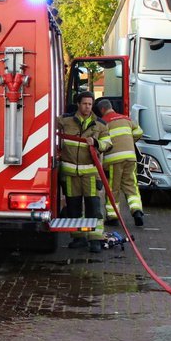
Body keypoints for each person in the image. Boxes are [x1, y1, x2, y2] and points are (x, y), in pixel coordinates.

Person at [56, 91, 105, 251]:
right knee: (73, 207)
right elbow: (48, 125)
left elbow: (108, 143)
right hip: (70, 174)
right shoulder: (65, 120)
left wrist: (96, 143)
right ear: (78, 104)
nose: (87, 107)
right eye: (84, 103)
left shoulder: (99, 124)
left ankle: (95, 239)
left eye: (90, 104)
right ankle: (78, 238)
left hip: (90, 174)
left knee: (93, 207)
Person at [95, 99, 146, 227]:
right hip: (130, 157)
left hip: (114, 160)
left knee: (113, 188)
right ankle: (137, 211)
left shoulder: (103, 122)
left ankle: (113, 217)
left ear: (102, 110)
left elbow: (100, 142)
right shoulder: (126, 119)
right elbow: (139, 132)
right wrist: (129, 140)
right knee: (131, 185)